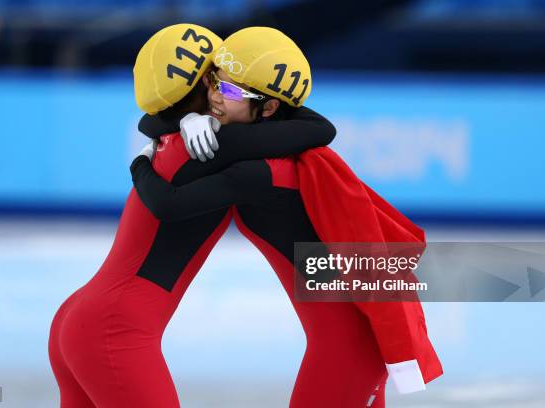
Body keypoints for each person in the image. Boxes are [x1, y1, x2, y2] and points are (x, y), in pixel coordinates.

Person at [132, 27, 443, 407]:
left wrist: (143, 159)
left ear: (269, 108)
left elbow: (169, 200)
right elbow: (313, 125)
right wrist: (181, 120)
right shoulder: (281, 142)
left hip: (347, 349)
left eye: (229, 91)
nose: (213, 96)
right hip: (352, 343)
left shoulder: (258, 171)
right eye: (215, 82)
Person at [48, 24, 336, 408]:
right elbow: (319, 128)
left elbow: (151, 120)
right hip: (114, 331)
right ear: (202, 83)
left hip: (78, 318)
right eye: (217, 80)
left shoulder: (172, 139)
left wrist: (169, 129)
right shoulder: (212, 147)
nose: (220, 91)